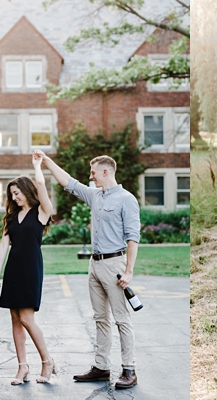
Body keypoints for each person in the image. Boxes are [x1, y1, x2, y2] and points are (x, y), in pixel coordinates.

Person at [35, 150, 141, 389]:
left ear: (105, 172)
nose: (90, 176)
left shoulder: (127, 199)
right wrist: (46, 160)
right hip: (94, 265)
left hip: (115, 264)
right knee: (100, 318)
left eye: (93, 173)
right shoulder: (95, 195)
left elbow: (133, 238)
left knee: (121, 319)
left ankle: (129, 370)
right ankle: (101, 367)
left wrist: (129, 271)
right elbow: (69, 182)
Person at [0, 152, 56, 385]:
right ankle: (22, 367)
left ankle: (47, 361)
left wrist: (37, 165)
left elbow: (41, 184)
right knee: (15, 319)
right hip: (13, 269)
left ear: (26, 191)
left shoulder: (42, 212)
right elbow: (3, 246)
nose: (14, 198)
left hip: (30, 268)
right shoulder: (11, 217)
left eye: (16, 193)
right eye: (11, 195)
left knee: (27, 318)